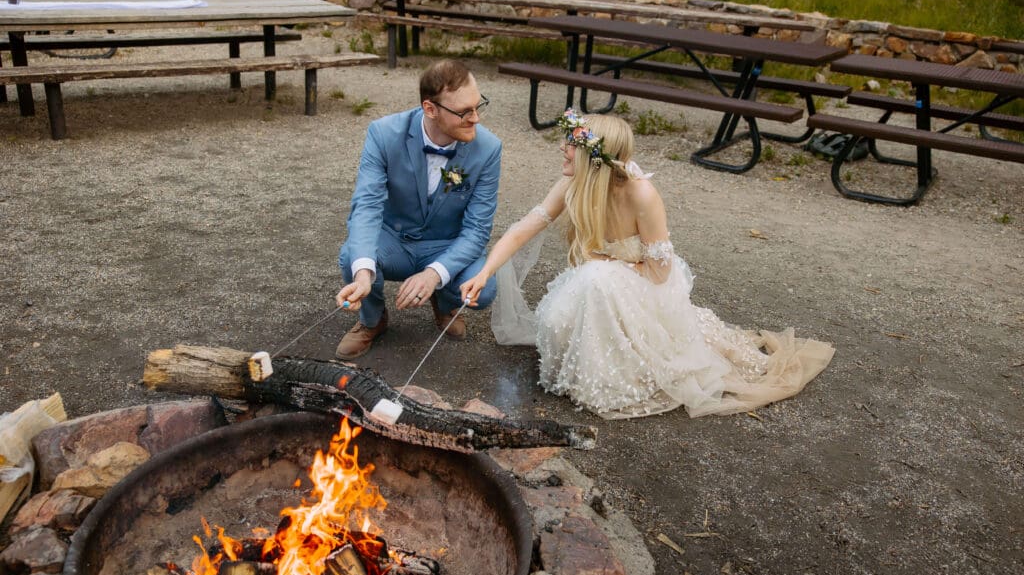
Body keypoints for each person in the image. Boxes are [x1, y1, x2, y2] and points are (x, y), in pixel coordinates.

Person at [461, 109, 834, 419]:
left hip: (643, 285)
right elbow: (523, 228)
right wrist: (484, 271)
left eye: (571, 145)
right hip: (597, 284)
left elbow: (661, 271)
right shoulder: (573, 183)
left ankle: (614, 374)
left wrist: (608, 265)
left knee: (595, 277)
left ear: (594, 156)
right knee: (560, 315)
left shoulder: (641, 193)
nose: (562, 148)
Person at [334, 59, 501, 359]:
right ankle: (373, 320)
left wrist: (435, 274)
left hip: (444, 244)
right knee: (352, 258)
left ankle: (445, 301)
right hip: (394, 242)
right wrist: (362, 274)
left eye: (478, 106)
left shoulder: (488, 149)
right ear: (430, 109)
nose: (475, 118)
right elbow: (366, 206)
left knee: (484, 291)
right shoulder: (383, 134)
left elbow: (477, 230)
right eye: (464, 111)